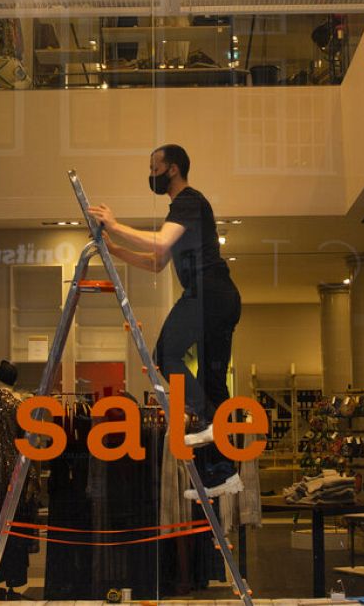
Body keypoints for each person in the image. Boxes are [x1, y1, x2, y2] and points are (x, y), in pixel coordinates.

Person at [88, 144, 243, 500]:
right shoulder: (185, 210)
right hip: (219, 297)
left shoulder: (188, 201)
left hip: (210, 292)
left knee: (166, 355)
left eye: (153, 167)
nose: (151, 174)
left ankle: (204, 421)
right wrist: (114, 248)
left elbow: (159, 245)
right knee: (213, 385)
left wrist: (113, 225)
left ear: (171, 169)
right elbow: (156, 262)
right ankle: (222, 474)